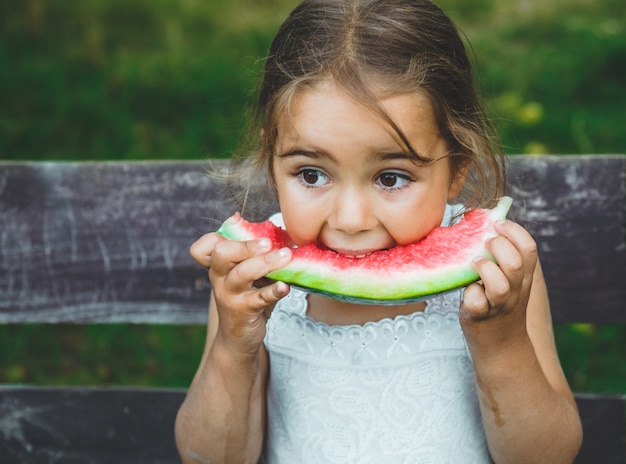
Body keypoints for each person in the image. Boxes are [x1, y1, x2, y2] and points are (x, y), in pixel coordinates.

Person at [175, 1, 583, 462]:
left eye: (391, 177)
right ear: (273, 157)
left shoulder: (493, 270)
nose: (351, 219)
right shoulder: (255, 275)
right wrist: (234, 346)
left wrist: (503, 344)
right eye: (311, 174)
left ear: (456, 168)